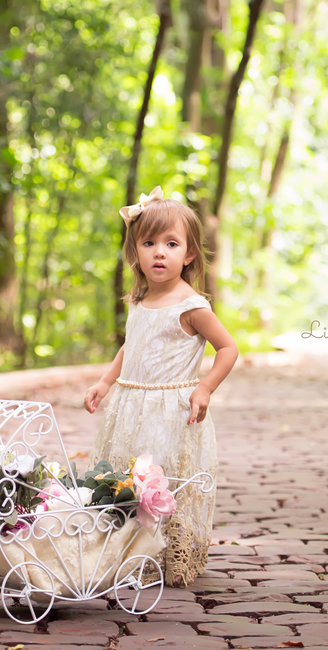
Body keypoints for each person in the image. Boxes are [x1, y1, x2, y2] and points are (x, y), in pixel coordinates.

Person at [83, 186, 238, 587]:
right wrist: (105, 382)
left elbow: (227, 349)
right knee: (128, 481)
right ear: (136, 251)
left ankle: (168, 558)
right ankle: (128, 555)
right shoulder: (137, 300)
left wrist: (204, 389)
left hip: (170, 411)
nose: (159, 252)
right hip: (131, 407)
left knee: (164, 483)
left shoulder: (192, 306)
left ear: (188, 254)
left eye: (171, 244)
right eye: (149, 243)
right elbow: (129, 348)